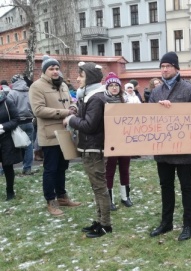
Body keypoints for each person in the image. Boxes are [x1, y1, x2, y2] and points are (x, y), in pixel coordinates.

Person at [148, 52, 191, 241]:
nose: (164, 69)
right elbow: (148, 119)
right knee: (166, 187)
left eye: (168, 66)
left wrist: (175, 110)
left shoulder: (190, 90)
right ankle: (166, 222)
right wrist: (157, 110)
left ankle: (188, 225)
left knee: (186, 187)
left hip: (183, 149)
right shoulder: (156, 92)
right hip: (162, 149)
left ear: (176, 68)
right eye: (162, 66)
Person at [64, 62, 112, 238]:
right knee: (96, 187)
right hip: (89, 148)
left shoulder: (96, 98)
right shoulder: (90, 96)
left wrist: (71, 120)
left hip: (94, 149)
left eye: (81, 76)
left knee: (100, 188)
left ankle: (105, 224)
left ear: (90, 78)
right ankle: (99, 220)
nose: (77, 79)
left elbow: (90, 125)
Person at [29, 55, 80, 216]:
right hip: (49, 135)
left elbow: (71, 101)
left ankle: (62, 196)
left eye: (57, 68)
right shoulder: (37, 86)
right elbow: (38, 110)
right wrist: (65, 112)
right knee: (50, 169)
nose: (55, 71)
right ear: (45, 71)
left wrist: (73, 107)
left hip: (65, 133)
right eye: (51, 68)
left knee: (62, 167)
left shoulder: (63, 84)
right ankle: (50, 201)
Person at [102, 72, 134, 211]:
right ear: (107, 87)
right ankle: (109, 199)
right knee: (110, 170)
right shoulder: (103, 101)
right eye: (111, 85)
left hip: (124, 139)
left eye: (116, 85)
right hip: (110, 139)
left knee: (124, 168)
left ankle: (125, 196)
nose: (114, 88)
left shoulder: (125, 101)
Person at [8, 74, 35, 175]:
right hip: (29, 121)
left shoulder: (12, 93)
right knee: (28, 146)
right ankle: (27, 168)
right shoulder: (30, 92)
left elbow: (10, 109)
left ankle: (6, 169)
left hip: (17, 123)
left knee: (12, 145)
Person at [0, 88, 22, 200]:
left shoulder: (7, 102)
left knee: (8, 167)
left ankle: (10, 191)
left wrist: (3, 127)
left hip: (6, 139)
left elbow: (16, 119)